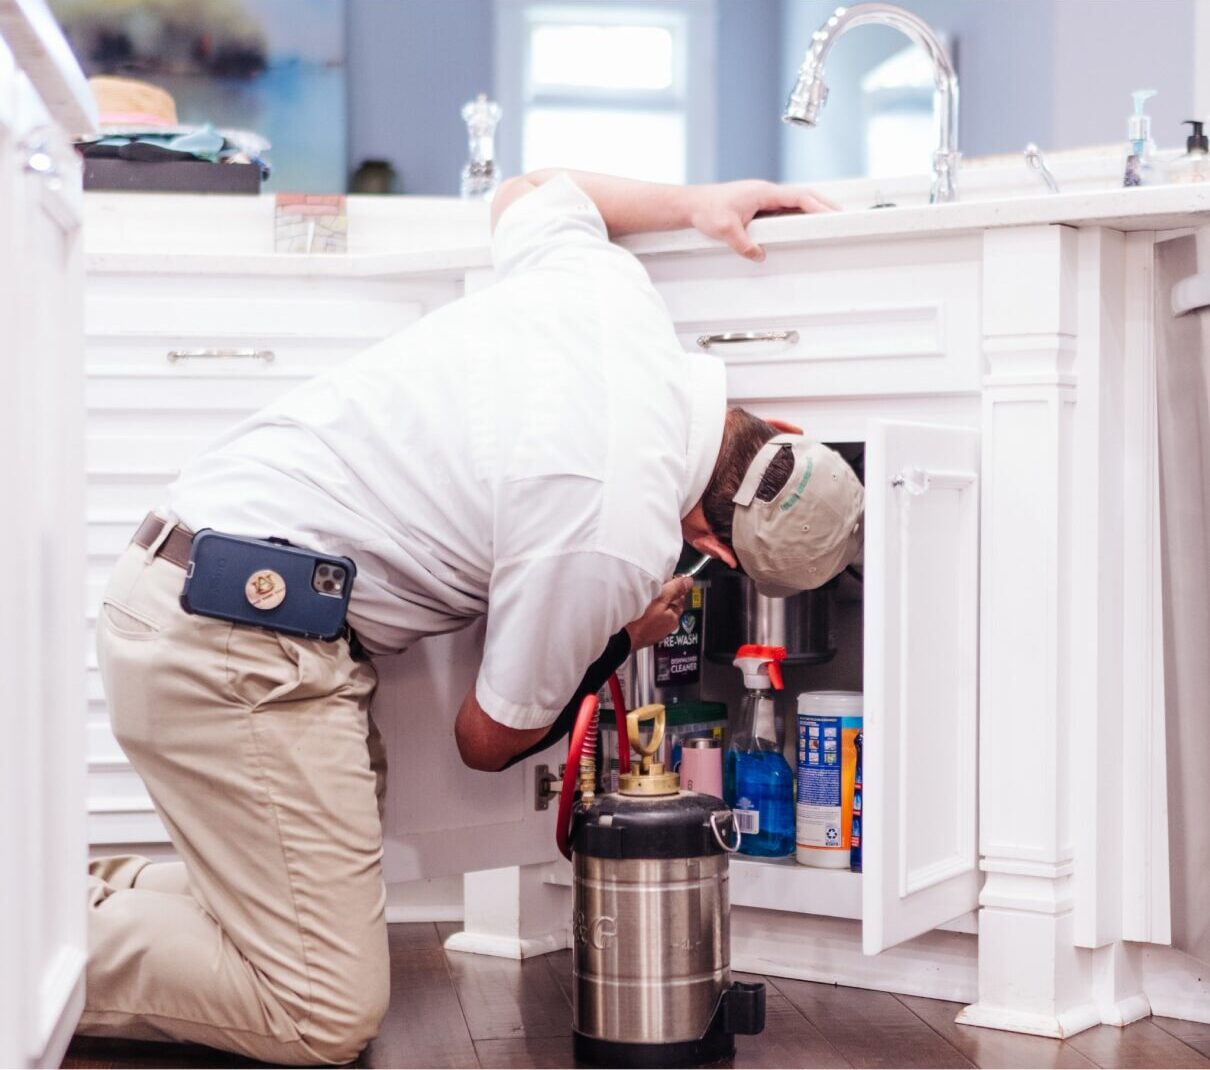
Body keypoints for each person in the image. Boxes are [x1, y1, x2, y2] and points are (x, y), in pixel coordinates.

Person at [79, 170, 864, 1065]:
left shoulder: (615, 300)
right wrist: (619, 638)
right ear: (721, 554)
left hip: (187, 591)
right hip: (234, 653)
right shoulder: (613, 537)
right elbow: (485, 740)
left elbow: (533, 188)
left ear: (779, 425)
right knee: (320, 1013)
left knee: (299, 903)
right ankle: (35, 954)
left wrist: (697, 203)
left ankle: (56, 903)